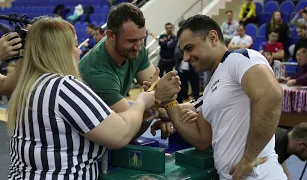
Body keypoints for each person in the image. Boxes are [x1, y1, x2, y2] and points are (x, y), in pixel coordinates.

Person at [6, 17, 158, 180]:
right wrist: (142, 101)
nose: (79, 52)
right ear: (60, 51)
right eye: (75, 45)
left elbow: (101, 121)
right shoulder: (62, 87)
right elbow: (120, 134)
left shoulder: (30, 83)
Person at [144, 14, 286, 180]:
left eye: (190, 48)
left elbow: (271, 95)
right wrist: (165, 101)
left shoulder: (240, 58)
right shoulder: (212, 89)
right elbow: (202, 140)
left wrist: (248, 158)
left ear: (212, 38)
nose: (186, 58)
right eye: (183, 51)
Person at [79, 3, 179, 140]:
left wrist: (165, 111)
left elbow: (160, 89)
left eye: (142, 38)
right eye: (131, 41)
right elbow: (129, 130)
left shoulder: (136, 51)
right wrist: (160, 109)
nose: (138, 47)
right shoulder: (96, 73)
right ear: (110, 35)